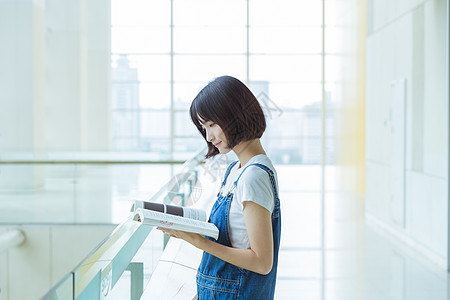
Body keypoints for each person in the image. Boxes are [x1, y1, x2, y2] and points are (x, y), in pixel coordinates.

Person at [159, 75, 281, 299]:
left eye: (212, 124)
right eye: (203, 127)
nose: (208, 136)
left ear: (235, 115)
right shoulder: (235, 169)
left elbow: (262, 262)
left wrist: (198, 241)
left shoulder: (253, 176)